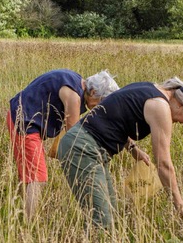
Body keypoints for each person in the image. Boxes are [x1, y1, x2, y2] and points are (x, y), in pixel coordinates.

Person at [57, 78, 183, 230]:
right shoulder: (160, 107)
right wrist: (179, 203)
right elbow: (163, 163)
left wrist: (133, 149)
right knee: (102, 220)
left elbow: (115, 118)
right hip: (82, 148)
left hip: (86, 146)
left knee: (111, 211)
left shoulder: (149, 89)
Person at [8, 69, 119, 217]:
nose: (99, 107)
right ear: (93, 92)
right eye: (101, 101)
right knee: (37, 178)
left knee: (30, 173)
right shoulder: (74, 96)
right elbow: (74, 135)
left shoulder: (77, 82)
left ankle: (21, 213)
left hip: (21, 117)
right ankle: (29, 225)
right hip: (24, 123)